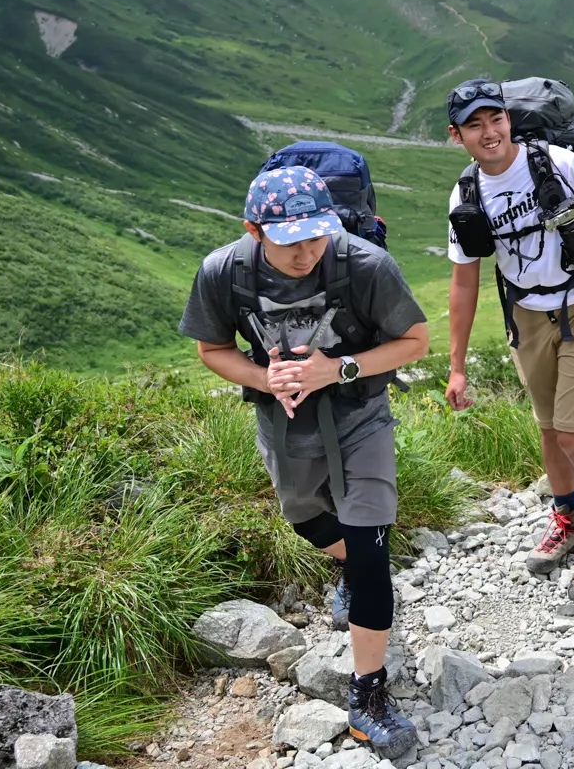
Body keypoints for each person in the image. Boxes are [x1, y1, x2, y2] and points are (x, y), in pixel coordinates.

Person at [181, 165, 431, 757]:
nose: (306, 253)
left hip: (360, 415)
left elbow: (415, 341)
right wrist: (264, 380)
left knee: (370, 545)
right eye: (290, 241)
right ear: (254, 231)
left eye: (316, 237)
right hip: (285, 423)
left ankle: (368, 693)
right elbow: (211, 349)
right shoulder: (225, 271)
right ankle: (350, 567)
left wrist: (336, 368)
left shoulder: (365, 265)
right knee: (306, 518)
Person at [442, 79, 574, 602]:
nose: (488, 132)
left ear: (509, 119)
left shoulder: (560, 164)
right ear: (456, 135)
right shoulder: (466, 193)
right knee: (550, 429)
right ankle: (568, 520)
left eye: (495, 119)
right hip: (526, 317)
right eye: (474, 124)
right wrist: (457, 366)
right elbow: (463, 283)